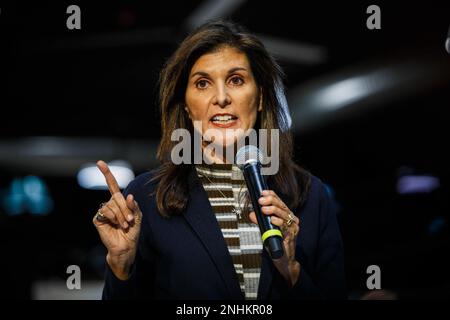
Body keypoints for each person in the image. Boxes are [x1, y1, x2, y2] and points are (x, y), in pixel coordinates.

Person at [93, 20, 346, 300]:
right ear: (187, 106)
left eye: (236, 80)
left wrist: (292, 271)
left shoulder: (312, 196)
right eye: (203, 83)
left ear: (260, 97)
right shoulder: (144, 198)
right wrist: (120, 267)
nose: (222, 98)